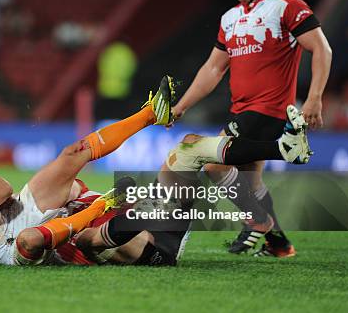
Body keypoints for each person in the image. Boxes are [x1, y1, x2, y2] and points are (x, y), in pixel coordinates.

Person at [0, 76, 176, 264]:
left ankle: (150, 113)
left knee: (71, 154)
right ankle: (99, 206)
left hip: (20, 209)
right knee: (35, 239)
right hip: (2, 252)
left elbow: (2, 188)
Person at [169, 0, 332, 257]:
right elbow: (213, 69)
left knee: (214, 163)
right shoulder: (229, 17)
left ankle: (258, 220)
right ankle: (279, 244)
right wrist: (181, 106)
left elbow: (322, 48)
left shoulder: (286, 6)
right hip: (241, 111)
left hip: (269, 110)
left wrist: (314, 97)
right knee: (251, 184)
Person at [76, 105, 313, 266]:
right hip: (150, 247)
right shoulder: (49, 230)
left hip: (148, 219)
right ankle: (282, 150)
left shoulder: (59, 196)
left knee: (189, 145)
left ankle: (283, 149)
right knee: (87, 239)